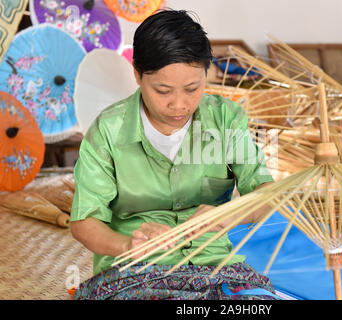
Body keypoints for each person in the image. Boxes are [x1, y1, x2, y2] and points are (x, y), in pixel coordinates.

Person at [70, 9, 277, 300]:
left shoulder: (226, 120)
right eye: (163, 91)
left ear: (207, 74)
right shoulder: (108, 130)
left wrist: (230, 215)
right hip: (135, 271)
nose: (179, 104)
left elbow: (266, 194)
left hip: (216, 267)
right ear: (138, 75)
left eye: (193, 88)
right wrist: (129, 245)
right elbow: (84, 222)